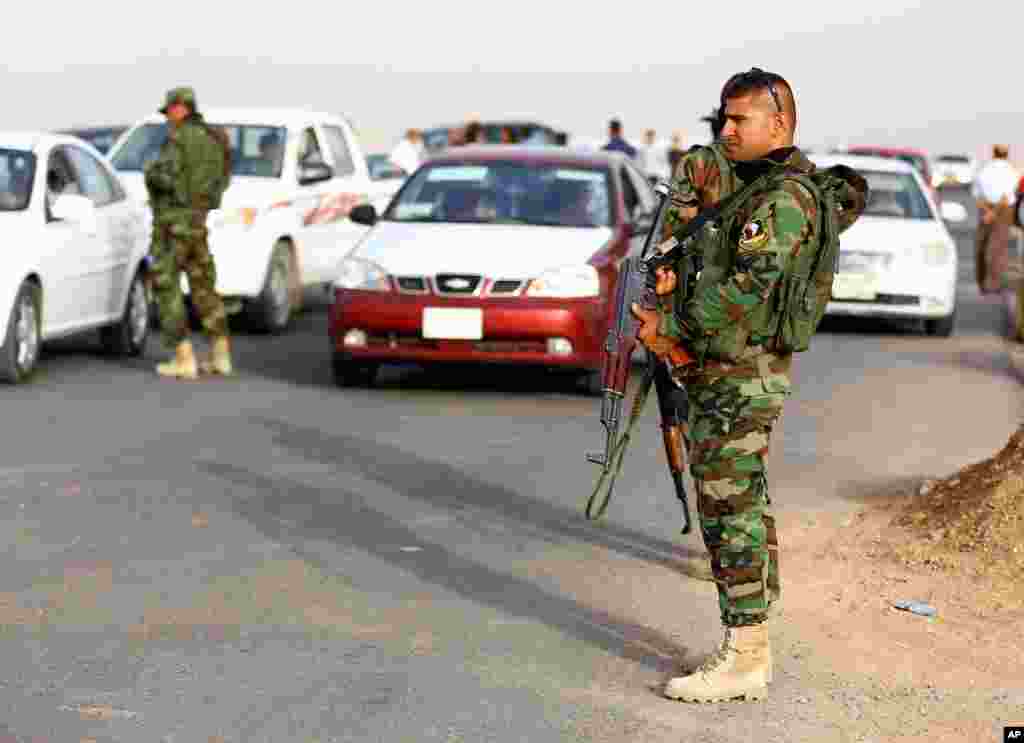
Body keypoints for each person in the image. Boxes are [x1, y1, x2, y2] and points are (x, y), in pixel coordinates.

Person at [631, 68, 866, 703]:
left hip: (743, 374)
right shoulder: (756, 188)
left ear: (780, 125)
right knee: (745, 503)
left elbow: (745, 289)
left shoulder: (783, 200)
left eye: (740, 121)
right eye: (725, 119)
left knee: (728, 509)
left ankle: (746, 656)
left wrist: (670, 324)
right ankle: (753, 630)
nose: (726, 130)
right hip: (731, 370)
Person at [144, 86, 233, 379]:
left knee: (165, 284)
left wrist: (150, 172)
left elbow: (166, 177)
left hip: (173, 223)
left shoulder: (179, 138)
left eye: (169, 111)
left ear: (181, 108)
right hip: (198, 222)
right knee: (203, 285)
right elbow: (223, 181)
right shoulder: (214, 138)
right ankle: (221, 355)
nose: (168, 117)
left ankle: (184, 358)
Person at [972, 144, 1019, 295]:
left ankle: (982, 283)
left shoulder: (984, 170)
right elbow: (1007, 198)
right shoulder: (1012, 172)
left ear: (994, 153)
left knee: (981, 245)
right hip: (1003, 211)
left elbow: (977, 197)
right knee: (998, 248)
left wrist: (988, 212)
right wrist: (995, 212)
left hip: (985, 211)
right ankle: (994, 284)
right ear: (1007, 154)